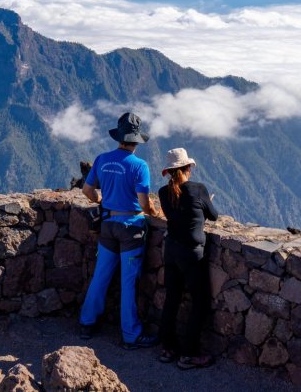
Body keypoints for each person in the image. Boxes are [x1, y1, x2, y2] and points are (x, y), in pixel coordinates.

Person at [79, 112, 162, 349]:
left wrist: (100, 200)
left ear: (119, 137)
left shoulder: (102, 159)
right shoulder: (140, 166)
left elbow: (87, 190)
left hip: (107, 225)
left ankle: (87, 322)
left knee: (101, 276)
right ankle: (130, 334)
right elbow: (145, 203)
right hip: (131, 228)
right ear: (136, 140)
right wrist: (154, 213)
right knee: (129, 282)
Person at [157, 147, 218, 369]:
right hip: (192, 254)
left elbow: (175, 214)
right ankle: (188, 354)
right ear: (186, 168)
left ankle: (167, 348)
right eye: (189, 167)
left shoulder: (163, 193)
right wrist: (204, 203)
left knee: (172, 298)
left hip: (171, 250)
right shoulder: (198, 189)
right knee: (199, 302)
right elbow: (214, 215)